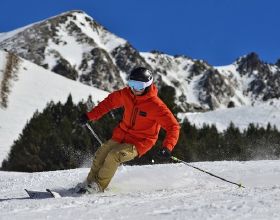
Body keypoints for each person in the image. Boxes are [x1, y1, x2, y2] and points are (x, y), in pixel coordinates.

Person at [75, 67, 180, 193]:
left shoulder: (156, 105)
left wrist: (168, 146)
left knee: (114, 155)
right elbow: (109, 103)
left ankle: (98, 186)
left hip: (140, 142)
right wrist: (89, 116)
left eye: (139, 86)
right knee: (101, 153)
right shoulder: (126, 94)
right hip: (121, 135)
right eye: (132, 84)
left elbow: (173, 126)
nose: (135, 89)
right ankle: (89, 182)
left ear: (147, 85)